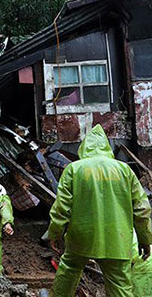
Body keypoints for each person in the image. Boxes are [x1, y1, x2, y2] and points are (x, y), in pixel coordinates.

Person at [47, 124, 152, 297]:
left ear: (84, 147)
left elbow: (61, 208)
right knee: (120, 286)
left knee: (68, 272)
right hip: (117, 240)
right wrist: (144, 239)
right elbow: (141, 209)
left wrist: (55, 234)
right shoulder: (125, 170)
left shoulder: (74, 169)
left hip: (81, 237)